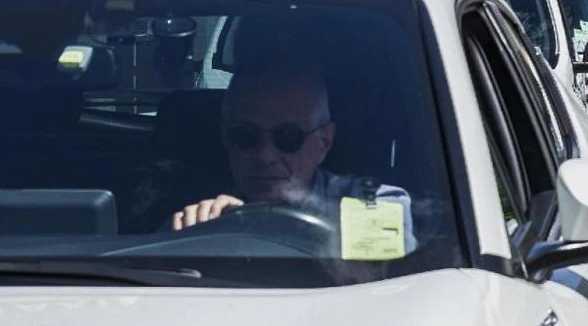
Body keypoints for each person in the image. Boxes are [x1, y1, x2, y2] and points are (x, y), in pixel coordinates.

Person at [171, 58, 414, 241]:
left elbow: (381, 284)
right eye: (245, 136)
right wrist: (194, 234)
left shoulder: (372, 202)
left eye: (288, 138)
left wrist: (248, 223)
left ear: (324, 143)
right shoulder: (192, 210)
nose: (264, 156)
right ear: (226, 138)